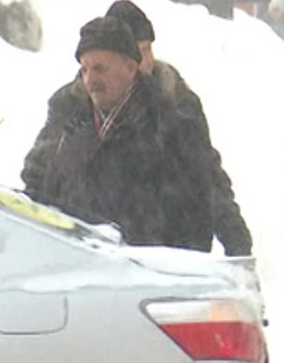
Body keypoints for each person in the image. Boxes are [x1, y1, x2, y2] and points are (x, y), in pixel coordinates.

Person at [20, 15, 216, 251]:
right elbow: (37, 194)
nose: (91, 80)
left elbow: (195, 223)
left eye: (100, 69)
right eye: (85, 70)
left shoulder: (172, 130)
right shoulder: (67, 128)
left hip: (144, 280)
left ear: (130, 68)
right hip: (72, 273)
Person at [100, 0, 252, 257]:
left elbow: (206, 170)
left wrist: (232, 231)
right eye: (138, 52)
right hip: (105, 256)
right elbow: (46, 175)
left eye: (148, 49)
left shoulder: (179, 101)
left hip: (177, 254)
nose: (146, 60)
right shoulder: (77, 107)